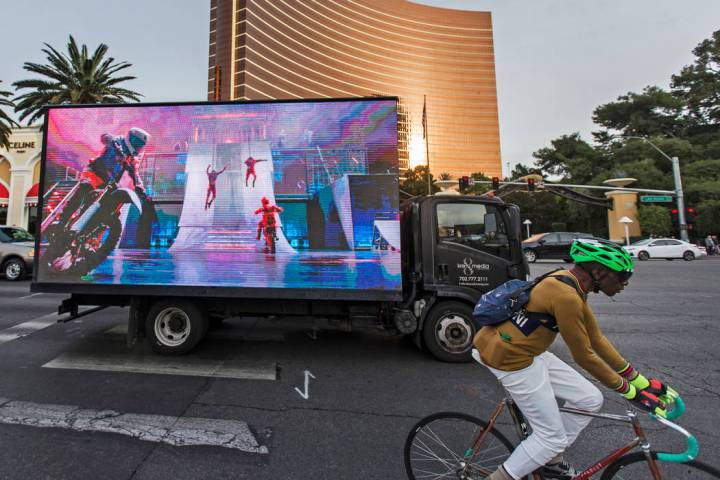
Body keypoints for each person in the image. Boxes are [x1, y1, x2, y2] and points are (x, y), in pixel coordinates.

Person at [476, 239, 673, 480]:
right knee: (550, 437)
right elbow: (584, 356)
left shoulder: (571, 283)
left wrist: (639, 381)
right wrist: (630, 392)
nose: (624, 284)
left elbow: (596, 338)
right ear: (599, 272)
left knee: (589, 399)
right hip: (509, 358)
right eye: (622, 277)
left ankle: (548, 458)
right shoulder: (566, 296)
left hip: (525, 350)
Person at [57, 128, 150, 224]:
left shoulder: (132, 158)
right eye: (137, 143)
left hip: (107, 182)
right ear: (131, 139)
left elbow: (135, 174)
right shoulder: (118, 141)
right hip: (94, 173)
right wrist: (110, 140)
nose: (138, 147)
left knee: (106, 204)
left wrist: (140, 187)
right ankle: (62, 220)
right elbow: (105, 137)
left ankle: (83, 225)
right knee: (84, 189)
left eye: (140, 145)